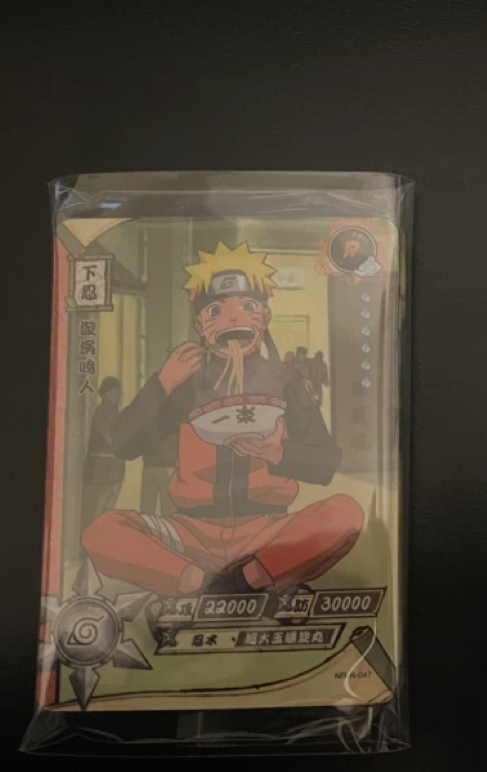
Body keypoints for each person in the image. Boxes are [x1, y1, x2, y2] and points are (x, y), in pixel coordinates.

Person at [82, 241, 363, 599]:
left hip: (268, 531)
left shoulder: (287, 380)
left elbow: (326, 462)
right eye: (215, 310)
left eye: (248, 307)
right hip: (189, 532)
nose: (233, 319)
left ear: (265, 317)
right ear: (200, 325)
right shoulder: (185, 383)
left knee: (345, 513)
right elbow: (123, 444)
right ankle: (207, 581)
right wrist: (162, 384)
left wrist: (278, 453)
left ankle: (238, 582)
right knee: (101, 531)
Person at [81, 377, 125, 529]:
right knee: (95, 510)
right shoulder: (100, 413)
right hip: (100, 470)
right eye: (112, 392)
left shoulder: (116, 413)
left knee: (107, 511)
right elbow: (110, 438)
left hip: (114, 470)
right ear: (104, 393)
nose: (116, 395)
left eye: (117, 392)